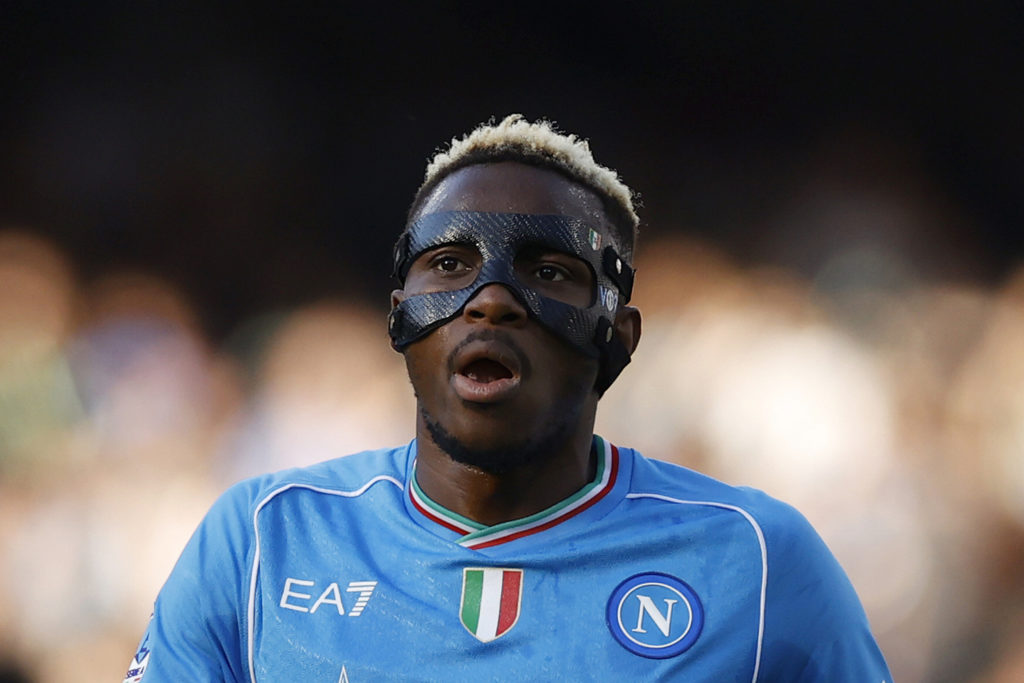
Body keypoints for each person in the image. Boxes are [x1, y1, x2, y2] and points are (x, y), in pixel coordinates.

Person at [124, 115, 892, 681]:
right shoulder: (261, 541)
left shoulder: (757, 563)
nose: (490, 300)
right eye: (450, 263)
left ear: (618, 338)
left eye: (549, 270)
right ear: (399, 314)